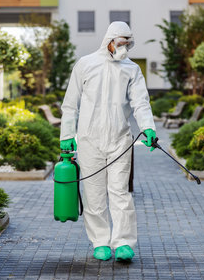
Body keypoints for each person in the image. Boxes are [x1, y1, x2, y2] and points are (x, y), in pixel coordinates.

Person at [59, 21, 157, 262]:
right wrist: (66, 136)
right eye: (121, 43)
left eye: (128, 43)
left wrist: (148, 128)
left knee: (120, 192)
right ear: (109, 41)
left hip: (119, 140)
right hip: (88, 140)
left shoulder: (131, 70)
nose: (124, 47)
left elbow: (140, 102)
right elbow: (70, 104)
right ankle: (100, 241)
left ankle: (123, 242)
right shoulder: (85, 64)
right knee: (93, 194)